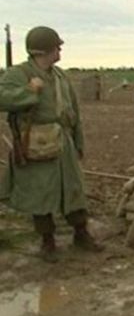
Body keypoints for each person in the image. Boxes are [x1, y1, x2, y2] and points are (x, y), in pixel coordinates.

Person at [0, 26, 103, 262]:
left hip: (63, 141)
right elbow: (2, 98)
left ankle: (81, 233)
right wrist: (29, 91)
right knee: (40, 193)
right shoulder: (18, 74)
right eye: (57, 47)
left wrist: (78, 141)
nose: (60, 51)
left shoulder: (60, 76)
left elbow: (74, 112)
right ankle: (48, 242)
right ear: (43, 51)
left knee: (73, 189)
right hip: (36, 143)